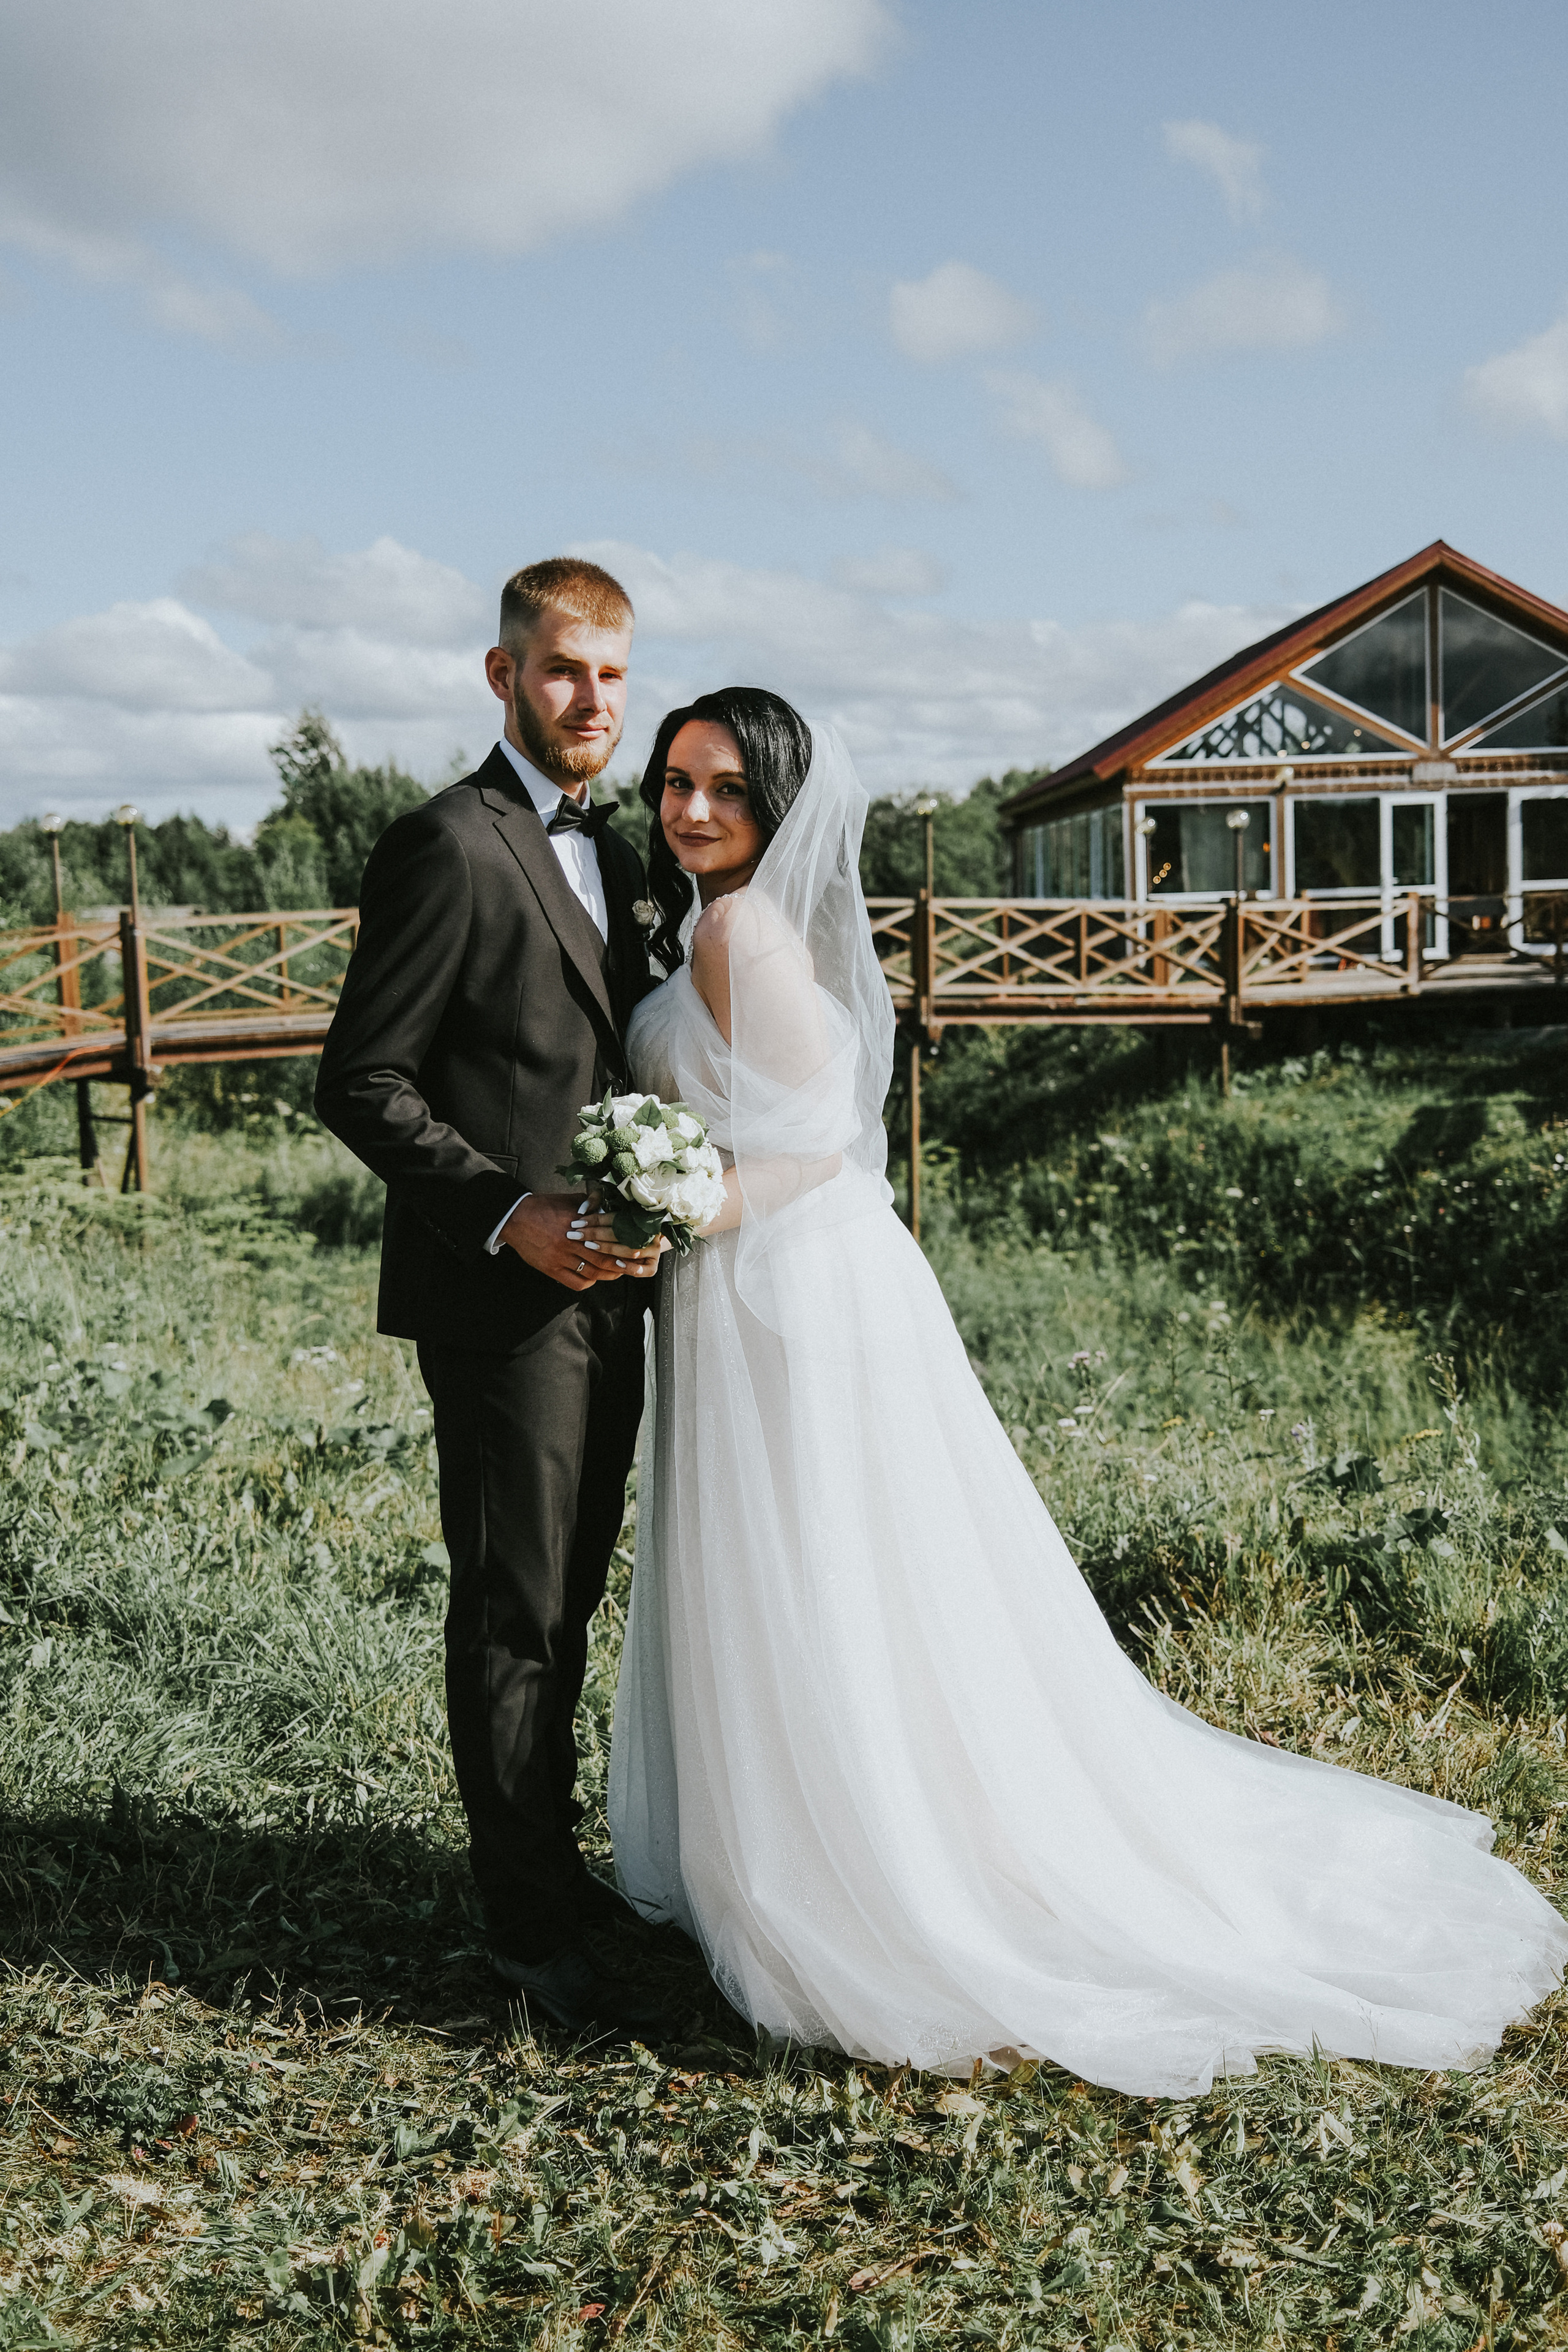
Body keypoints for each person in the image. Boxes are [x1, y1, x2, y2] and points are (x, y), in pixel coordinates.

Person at [601, 687, 1568, 2098]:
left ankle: (880, 1865)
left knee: (826, 1574)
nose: (690, 811)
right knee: (811, 1573)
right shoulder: (716, 918)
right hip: (754, 1278)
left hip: (787, 1282)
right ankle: (801, 1830)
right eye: (675, 783)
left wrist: (678, 1203)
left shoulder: (745, 929)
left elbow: (816, 1149)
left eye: (726, 791)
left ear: (780, 808)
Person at [315, 556, 667, 2035]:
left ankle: (558, 1863)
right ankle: (524, 1926)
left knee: (575, 1592)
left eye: (611, 676)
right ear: (503, 674)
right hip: (500, 1299)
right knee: (513, 1609)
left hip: (620, 1297)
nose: (589, 701)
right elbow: (359, 1080)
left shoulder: (638, 847)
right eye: (562, 671)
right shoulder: (448, 844)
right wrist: (508, 1213)